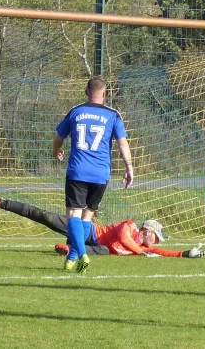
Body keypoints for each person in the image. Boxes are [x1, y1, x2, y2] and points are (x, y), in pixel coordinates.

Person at [53, 76, 134, 273]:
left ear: (85, 92)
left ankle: (82, 254)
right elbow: (122, 143)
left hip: (78, 171)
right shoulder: (113, 115)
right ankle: (72, 257)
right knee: (86, 217)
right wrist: (129, 167)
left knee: (73, 215)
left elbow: (58, 137)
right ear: (105, 94)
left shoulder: (75, 112)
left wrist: (57, 150)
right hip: (100, 174)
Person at [0, 193, 205, 258]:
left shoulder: (143, 248)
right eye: (156, 237)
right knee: (44, 216)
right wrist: (140, 251)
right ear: (147, 231)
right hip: (86, 229)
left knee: (102, 251)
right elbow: (122, 238)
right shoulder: (129, 226)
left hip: (97, 247)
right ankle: (3, 203)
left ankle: (68, 250)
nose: (156, 241)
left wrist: (184, 254)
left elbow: (159, 252)